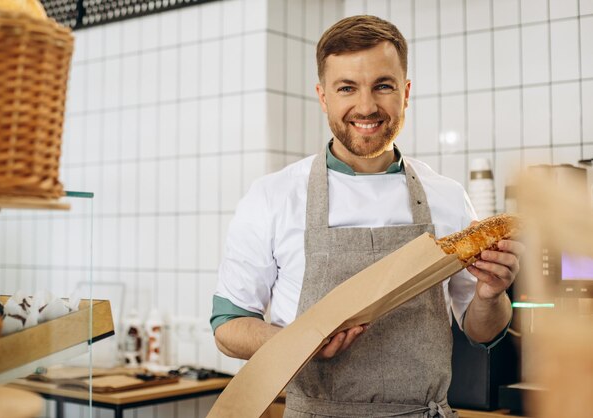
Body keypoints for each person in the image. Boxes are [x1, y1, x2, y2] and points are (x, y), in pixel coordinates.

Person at [211, 15, 524, 418]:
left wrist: (491, 294)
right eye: (347, 88)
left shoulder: (447, 197)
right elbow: (228, 325)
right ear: (323, 97)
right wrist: (300, 339)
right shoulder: (273, 196)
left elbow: (481, 330)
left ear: (405, 92)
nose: (366, 106)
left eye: (383, 86)